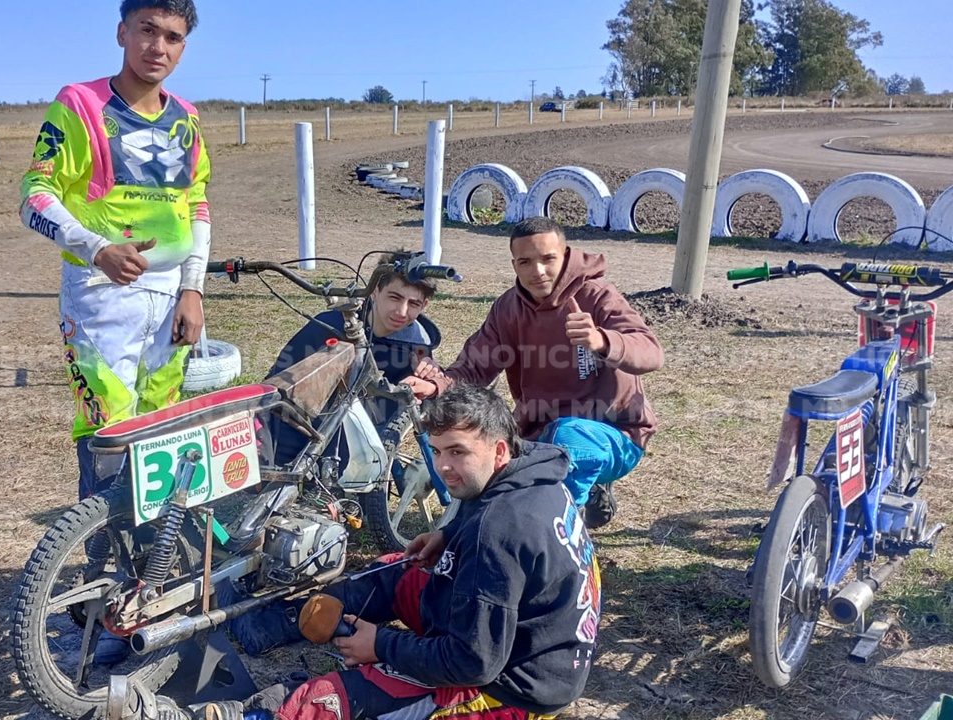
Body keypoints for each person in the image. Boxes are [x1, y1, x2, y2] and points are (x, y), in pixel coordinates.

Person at [116, 384, 600, 720]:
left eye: (458, 452)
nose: (444, 466)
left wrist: (381, 646)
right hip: (525, 636)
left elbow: (472, 663)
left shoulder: (500, 532)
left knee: (333, 699)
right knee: (402, 568)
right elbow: (505, 538)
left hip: (511, 691)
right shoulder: (535, 470)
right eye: (436, 450)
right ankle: (279, 620)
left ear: (498, 450)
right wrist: (449, 538)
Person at [19, 0, 210, 502]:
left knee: (162, 423)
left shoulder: (187, 119)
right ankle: (100, 553)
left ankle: (152, 559)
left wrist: (192, 289)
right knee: (108, 429)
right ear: (122, 32)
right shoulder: (79, 103)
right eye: (148, 31)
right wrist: (98, 248)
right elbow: (34, 196)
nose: (158, 47)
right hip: (101, 296)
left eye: (172, 37)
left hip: (171, 297)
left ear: (184, 47)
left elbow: (197, 208)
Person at [406, 217, 662, 528]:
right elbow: (474, 366)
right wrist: (435, 385)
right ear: (514, 264)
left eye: (547, 259)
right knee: (489, 450)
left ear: (565, 255)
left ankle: (563, 538)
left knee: (569, 440)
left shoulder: (597, 296)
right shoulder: (508, 309)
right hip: (538, 436)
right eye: (525, 261)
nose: (537, 271)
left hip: (617, 435)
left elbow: (651, 352)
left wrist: (602, 340)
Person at [260, 255, 441, 465]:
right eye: (394, 297)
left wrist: (429, 377)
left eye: (413, 303)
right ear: (375, 290)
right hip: (310, 427)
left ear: (425, 304)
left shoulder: (418, 344)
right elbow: (280, 382)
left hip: (369, 440)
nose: (402, 311)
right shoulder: (330, 326)